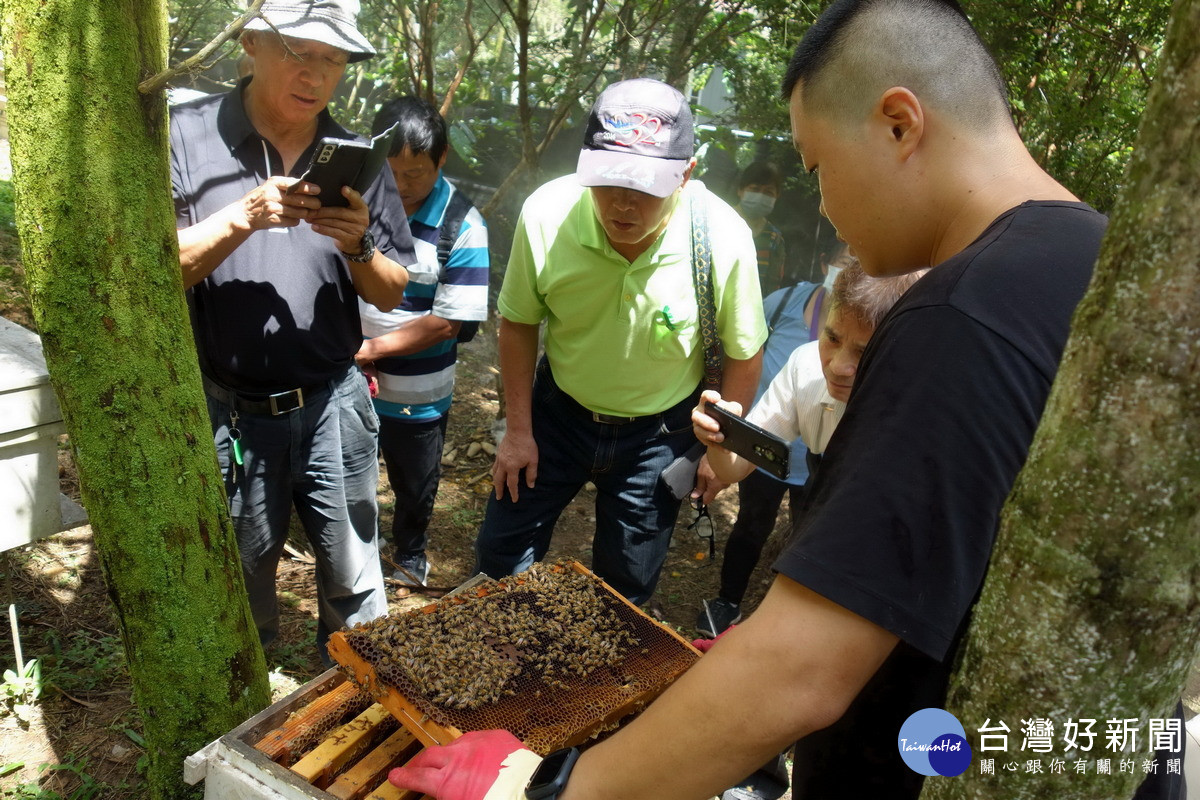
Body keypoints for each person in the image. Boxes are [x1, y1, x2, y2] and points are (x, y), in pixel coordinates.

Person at [387, 2, 1182, 799]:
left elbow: (804, 669)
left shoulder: (960, 313)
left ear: (899, 124)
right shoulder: (1094, 259)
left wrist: (552, 790)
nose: (825, 204)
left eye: (815, 166)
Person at [169, 0, 416, 658]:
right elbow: (153, 272)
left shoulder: (358, 157)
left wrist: (359, 246)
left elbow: (396, 288)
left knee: (356, 583)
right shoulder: (185, 134)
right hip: (229, 411)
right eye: (299, 52)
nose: (316, 74)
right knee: (239, 582)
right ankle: (246, 721)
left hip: (332, 403)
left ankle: (361, 705)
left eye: (333, 60)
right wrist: (242, 218)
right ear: (251, 41)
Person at [472, 77, 767, 606]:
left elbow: (745, 352)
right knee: (501, 556)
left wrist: (715, 451)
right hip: (558, 412)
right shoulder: (548, 214)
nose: (622, 205)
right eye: (608, 182)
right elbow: (518, 323)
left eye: (645, 187)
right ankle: (510, 667)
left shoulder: (723, 237)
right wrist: (518, 431)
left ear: (685, 175)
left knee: (626, 584)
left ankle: (599, 687)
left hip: (659, 432)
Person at [696, 260, 925, 640]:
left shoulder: (920, 410)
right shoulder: (805, 368)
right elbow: (736, 467)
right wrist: (720, 437)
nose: (837, 366)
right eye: (832, 338)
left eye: (863, 352)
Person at [355, 96, 490, 587]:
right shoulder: (359, 200)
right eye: (392, 172)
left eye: (416, 174)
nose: (402, 186)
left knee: (414, 480)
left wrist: (367, 352)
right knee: (350, 467)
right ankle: (357, 549)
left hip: (418, 391)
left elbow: (447, 323)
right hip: (347, 378)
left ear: (442, 158)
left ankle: (410, 554)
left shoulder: (464, 226)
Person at [734, 162, 789, 295]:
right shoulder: (718, 221)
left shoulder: (773, 238)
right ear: (740, 190)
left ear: (776, 196)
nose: (760, 195)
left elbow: (772, 287)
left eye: (768, 192)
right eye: (755, 189)